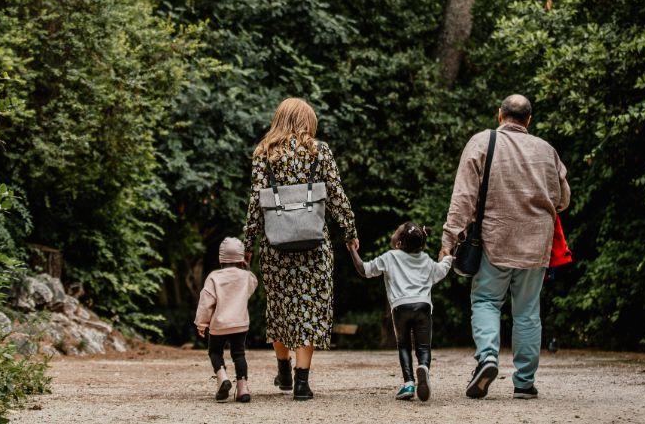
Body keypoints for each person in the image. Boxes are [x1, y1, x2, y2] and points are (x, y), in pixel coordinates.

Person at [440, 94, 570, 400]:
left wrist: (448, 240)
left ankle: (487, 358)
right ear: (529, 120)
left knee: (486, 301)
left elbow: (463, 197)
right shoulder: (546, 150)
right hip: (536, 245)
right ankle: (524, 383)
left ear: (500, 115)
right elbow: (563, 199)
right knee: (527, 312)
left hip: (493, 240)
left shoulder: (482, 142)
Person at [243, 98, 359, 401]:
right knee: (309, 307)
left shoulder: (264, 153)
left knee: (280, 307)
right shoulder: (319, 151)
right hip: (314, 243)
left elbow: (256, 202)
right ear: (307, 120)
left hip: (275, 244)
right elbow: (336, 194)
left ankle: (283, 366)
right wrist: (349, 231)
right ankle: (302, 382)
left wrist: (248, 244)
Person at [348, 222, 452, 402]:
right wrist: (447, 258)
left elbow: (364, 270)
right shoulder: (426, 259)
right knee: (423, 347)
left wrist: (352, 250)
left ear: (398, 244)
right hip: (423, 306)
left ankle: (409, 383)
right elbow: (440, 271)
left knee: (404, 345)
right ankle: (424, 368)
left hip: (400, 308)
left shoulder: (390, 257)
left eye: (396, 231)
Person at [194, 236, 258, 403]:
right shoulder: (246, 276)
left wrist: (202, 323)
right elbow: (251, 286)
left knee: (215, 352)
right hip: (240, 324)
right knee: (239, 354)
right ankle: (243, 389)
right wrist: (246, 266)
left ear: (220, 258)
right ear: (242, 258)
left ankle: (222, 378)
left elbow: (206, 300)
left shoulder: (214, 277)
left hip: (219, 324)